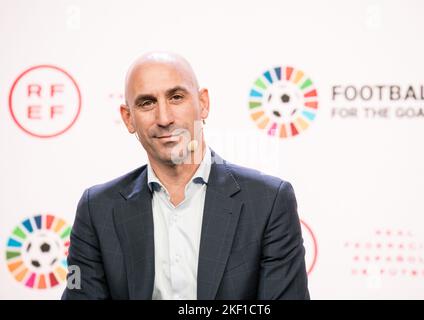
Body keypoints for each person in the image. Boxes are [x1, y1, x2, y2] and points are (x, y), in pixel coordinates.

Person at [62, 52, 309, 300]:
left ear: (203, 103)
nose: (164, 118)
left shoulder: (269, 202)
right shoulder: (97, 209)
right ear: (129, 118)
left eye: (176, 97)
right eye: (147, 103)